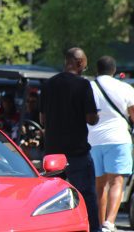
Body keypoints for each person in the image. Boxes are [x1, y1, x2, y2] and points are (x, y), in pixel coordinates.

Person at [39, 47, 101, 232]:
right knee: (86, 195)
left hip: (52, 153)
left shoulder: (48, 84)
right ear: (80, 62)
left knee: (53, 198)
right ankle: (92, 229)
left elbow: (42, 119)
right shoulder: (83, 85)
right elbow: (91, 118)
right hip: (77, 152)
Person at [88, 56, 134, 232]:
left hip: (93, 140)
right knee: (116, 182)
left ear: (97, 69)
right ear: (114, 70)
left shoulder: (89, 87)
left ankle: (99, 224)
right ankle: (109, 223)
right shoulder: (125, 88)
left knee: (99, 184)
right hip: (118, 139)